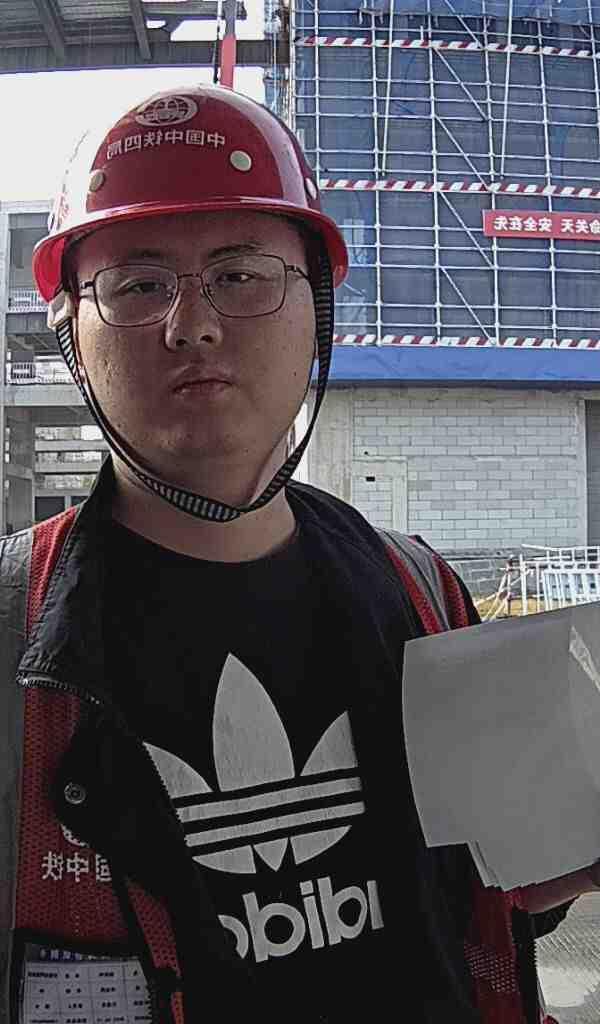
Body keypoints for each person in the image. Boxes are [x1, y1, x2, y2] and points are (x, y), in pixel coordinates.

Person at [1, 84, 598, 1024]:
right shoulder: (11, 637)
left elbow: (492, 900)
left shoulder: (425, 596)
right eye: (139, 285)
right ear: (69, 325)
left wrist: (552, 861)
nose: (192, 325)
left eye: (241, 276)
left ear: (318, 310)